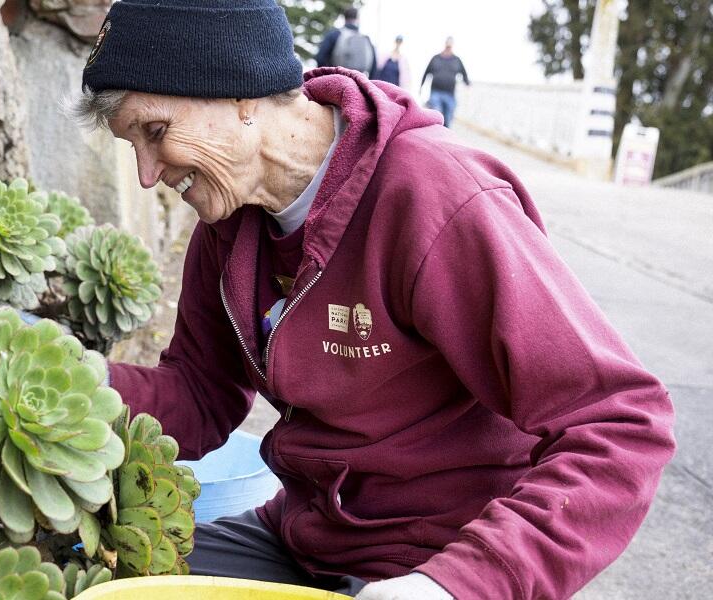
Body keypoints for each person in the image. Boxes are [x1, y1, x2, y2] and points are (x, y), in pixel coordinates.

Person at [73, 0, 675, 598]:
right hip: (306, 539)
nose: (148, 173)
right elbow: (201, 394)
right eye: (134, 146)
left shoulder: (436, 200)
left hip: (441, 558)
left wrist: (457, 584)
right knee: (96, 577)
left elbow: (622, 423)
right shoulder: (228, 225)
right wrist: (76, 387)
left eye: (154, 133)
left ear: (239, 93)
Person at [421, 37, 470, 127]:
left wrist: (467, 84)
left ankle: (444, 138)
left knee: (448, 119)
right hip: (436, 93)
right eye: (447, 44)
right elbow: (426, 73)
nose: (448, 46)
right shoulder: (435, 58)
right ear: (445, 44)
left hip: (450, 95)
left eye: (450, 45)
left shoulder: (457, 60)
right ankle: (434, 136)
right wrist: (421, 87)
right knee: (437, 115)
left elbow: (464, 73)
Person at [315, 7, 376, 77]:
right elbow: (373, 66)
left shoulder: (335, 34)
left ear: (344, 18)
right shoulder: (366, 39)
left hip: (337, 79)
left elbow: (320, 57)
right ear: (358, 18)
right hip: (359, 81)